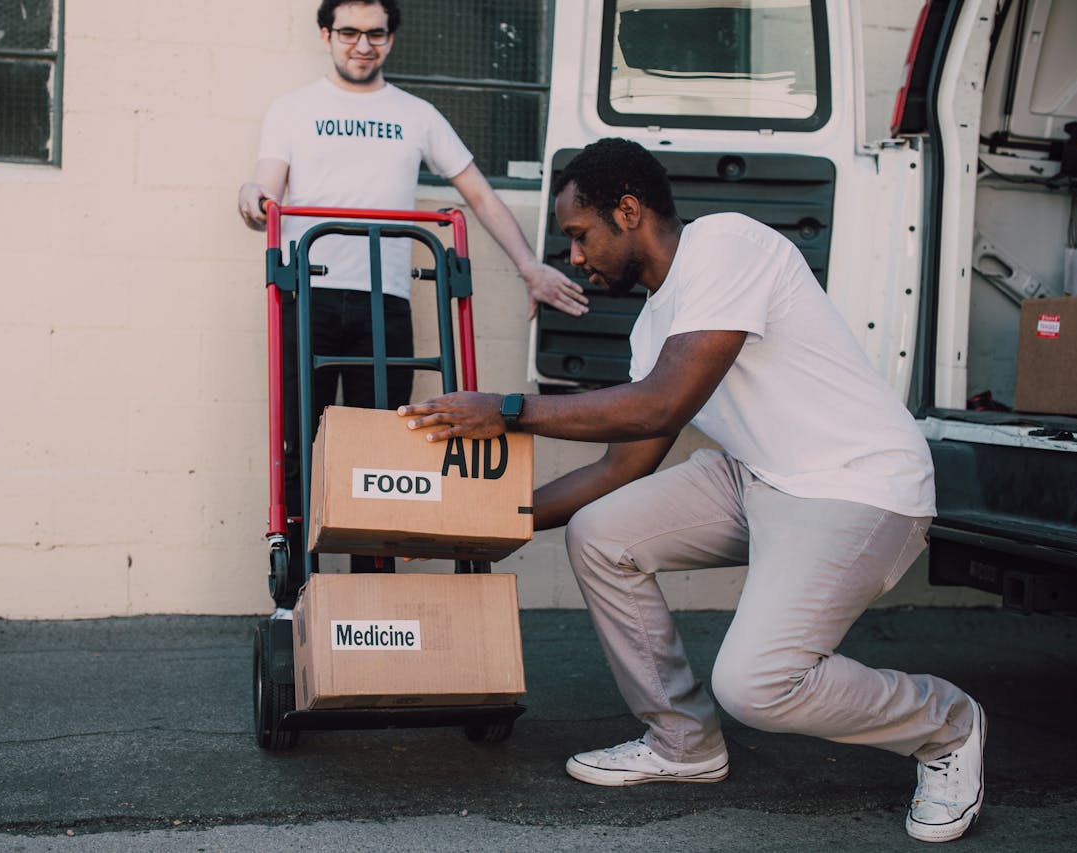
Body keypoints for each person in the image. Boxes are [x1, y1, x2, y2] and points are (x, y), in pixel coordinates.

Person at [397, 138, 986, 844]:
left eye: (580, 236)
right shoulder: (654, 326)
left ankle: (947, 723)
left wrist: (509, 408)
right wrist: (492, 519)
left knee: (758, 685)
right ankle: (684, 741)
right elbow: (618, 471)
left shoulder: (726, 245)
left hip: (857, 484)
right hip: (758, 473)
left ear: (628, 209)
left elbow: (661, 405)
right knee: (601, 531)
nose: (575, 257)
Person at [239, 0, 587, 576]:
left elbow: (476, 193)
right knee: (301, 446)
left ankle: (372, 589)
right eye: (348, 32)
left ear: (390, 40)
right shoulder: (293, 109)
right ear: (327, 35)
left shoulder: (415, 113)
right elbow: (263, 188)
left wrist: (530, 265)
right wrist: (251, 199)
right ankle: (299, 597)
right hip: (309, 295)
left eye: (375, 34)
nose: (362, 45)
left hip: (386, 303)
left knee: (381, 451)